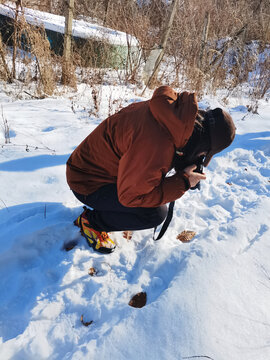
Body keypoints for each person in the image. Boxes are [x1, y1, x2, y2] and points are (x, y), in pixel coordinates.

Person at [66, 86, 236, 254]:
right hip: (87, 183)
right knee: (154, 214)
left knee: (150, 200)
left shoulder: (172, 115)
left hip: (92, 168)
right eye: (204, 154)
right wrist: (183, 182)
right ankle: (92, 222)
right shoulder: (156, 145)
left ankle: (108, 212)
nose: (201, 159)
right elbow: (132, 197)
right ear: (202, 144)